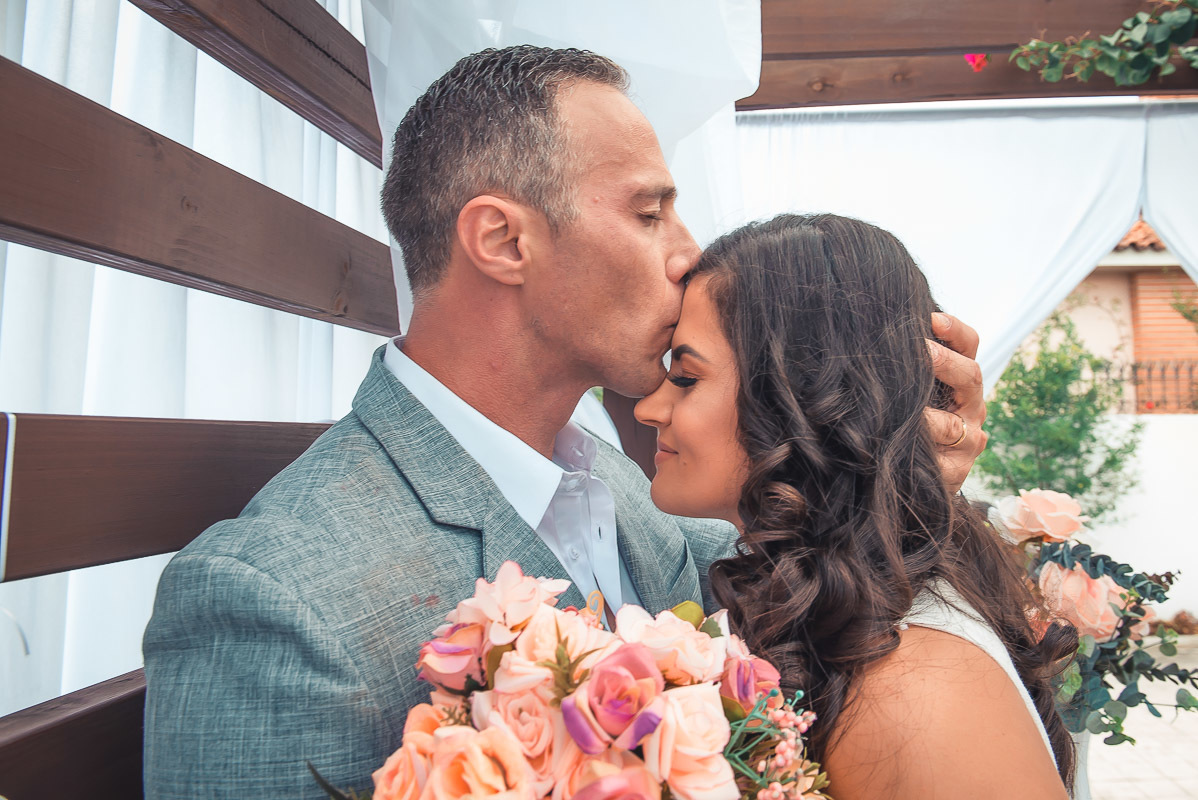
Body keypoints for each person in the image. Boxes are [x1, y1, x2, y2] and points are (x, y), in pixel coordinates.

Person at [142, 47, 987, 797]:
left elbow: (789, 590)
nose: (689, 252)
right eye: (649, 212)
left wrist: (888, 470)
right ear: (504, 240)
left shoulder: (633, 479)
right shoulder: (272, 604)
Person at [634, 213, 1076, 799]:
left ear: (802, 396)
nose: (648, 409)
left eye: (686, 376)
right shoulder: (835, 609)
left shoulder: (913, 692)